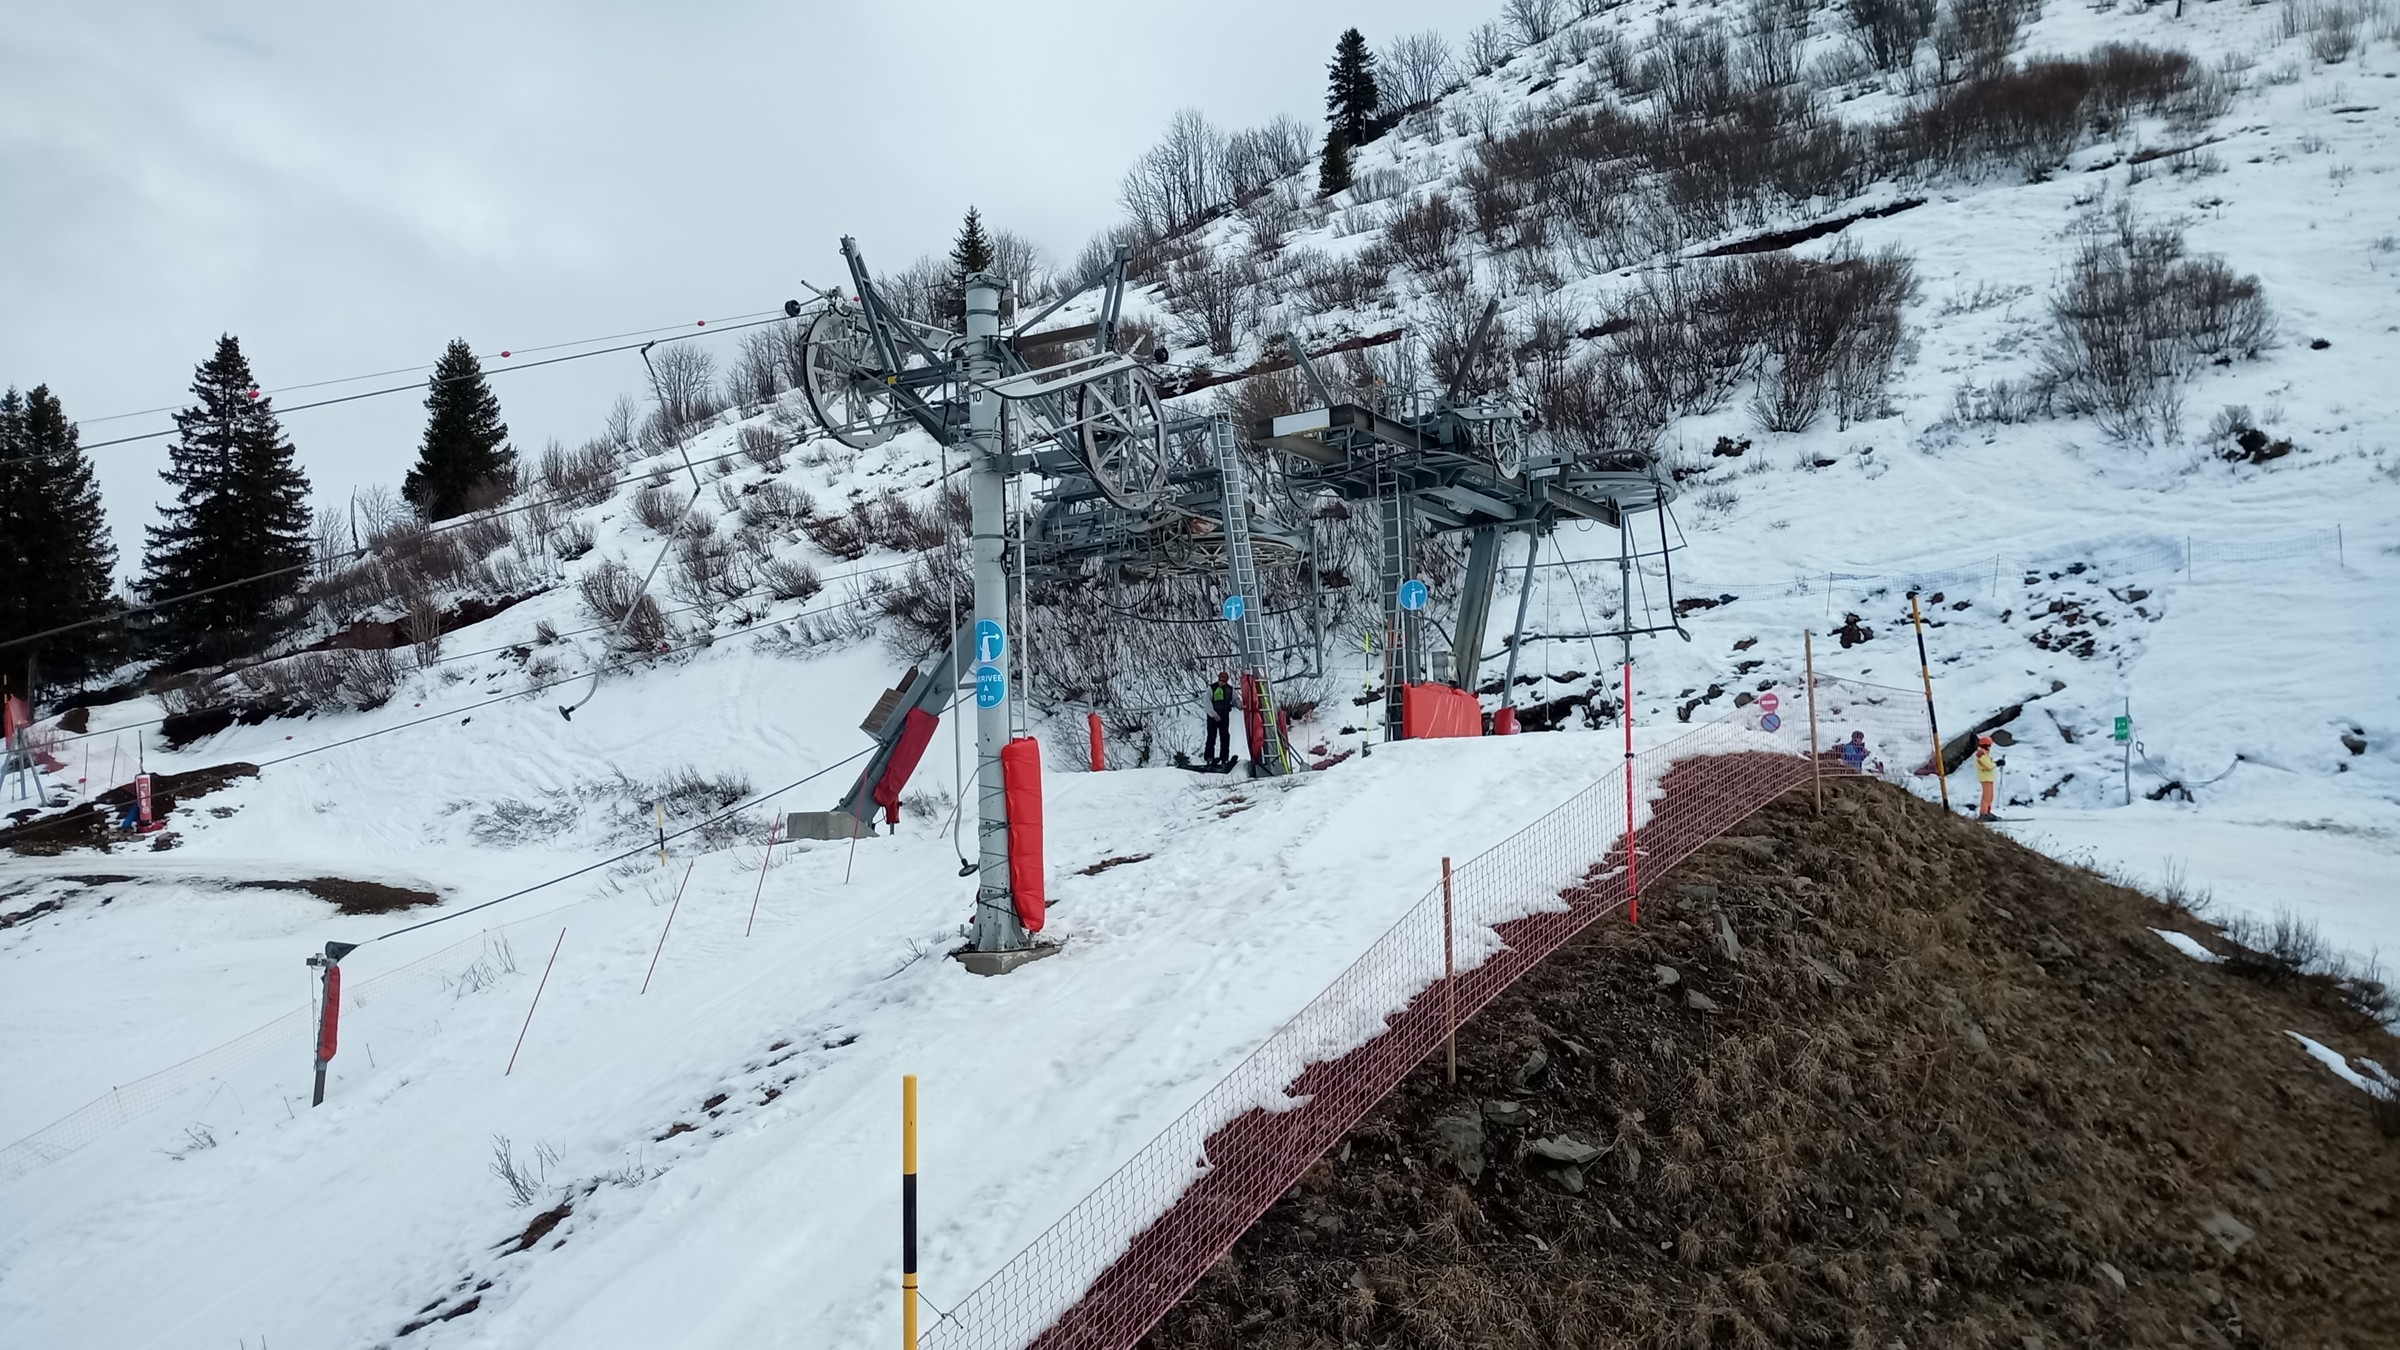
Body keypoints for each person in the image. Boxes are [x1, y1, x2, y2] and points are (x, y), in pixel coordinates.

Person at [1203, 672, 1234, 768]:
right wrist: (1213, 714)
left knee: (1225, 737)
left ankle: (1224, 758)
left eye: (1223, 681)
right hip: (1213, 717)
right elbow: (1207, 703)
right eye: (1220, 680)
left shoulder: (1230, 689)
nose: (1221, 682)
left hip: (1224, 716)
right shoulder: (1211, 689)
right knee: (1211, 737)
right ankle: (1209, 757)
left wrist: (1240, 706)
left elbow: (1235, 700)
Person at [1973, 734, 1999, 821]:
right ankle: (1983, 813)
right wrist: (1996, 764)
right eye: (1989, 745)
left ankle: (1988, 812)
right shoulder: (1980, 754)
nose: (1990, 747)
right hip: (1985, 777)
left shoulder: (1985, 753)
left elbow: (1989, 764)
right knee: (1986, 796)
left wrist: (1995, 763)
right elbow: (1988, 765)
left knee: (1990, 796)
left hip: (1989, 777)